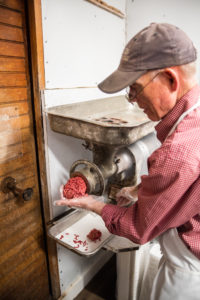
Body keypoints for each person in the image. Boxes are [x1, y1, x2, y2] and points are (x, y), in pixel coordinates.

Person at [55, 23, 200, 299]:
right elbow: (186, 189)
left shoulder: (177, 152)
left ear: (170, 79)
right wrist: (137, 190)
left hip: (190, 274)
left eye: (134, 89)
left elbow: (138, 228)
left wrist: (92, 204)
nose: (133, 101)